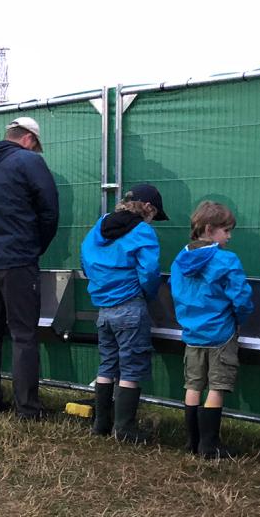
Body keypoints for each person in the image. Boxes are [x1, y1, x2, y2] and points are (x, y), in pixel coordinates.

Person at [0, 116, 60, 419]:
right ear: (29, 139)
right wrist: (35, 247)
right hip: (17, 259)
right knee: (23, 334)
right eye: (36, 146)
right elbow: (49, 210)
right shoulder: (28, 161)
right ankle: (27, 409)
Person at [80, 184, 167, 443]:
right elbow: (150, 272)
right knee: (131, 366)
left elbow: (85, 259)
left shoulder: (101, 224)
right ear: (148, 208)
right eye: (154, 214)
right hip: (130, 306)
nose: (153, 220)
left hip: (104, 309)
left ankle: (101, 424)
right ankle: (125, 429)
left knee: (108, 364)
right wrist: (147, 294)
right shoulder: (143, 231)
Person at [171, 201, 253, 458]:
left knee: (193, 385)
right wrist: (240, 317)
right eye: (226, 230)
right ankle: (210, 445)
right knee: (216, 386)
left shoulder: (180, 259)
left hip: (192, 333)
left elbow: (177, 294)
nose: (229, 236)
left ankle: (192, 442)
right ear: (209, 229)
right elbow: (241, 298)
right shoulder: (226, 259)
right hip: (221, 333)